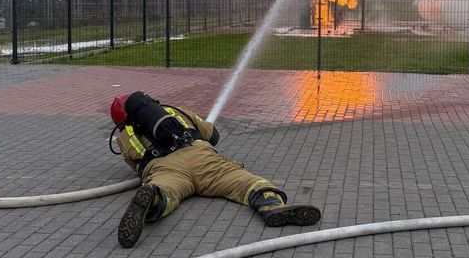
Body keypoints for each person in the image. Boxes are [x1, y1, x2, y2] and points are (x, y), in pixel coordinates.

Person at [109, 91, 322, 248]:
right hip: (202, 157)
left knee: (167, 190)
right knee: (246, 182)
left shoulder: (124, 138)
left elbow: (137, 165)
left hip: (166, 169)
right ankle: (270, 205)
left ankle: (153, 200)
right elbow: (213, 135)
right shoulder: (175, 111)